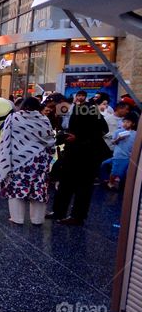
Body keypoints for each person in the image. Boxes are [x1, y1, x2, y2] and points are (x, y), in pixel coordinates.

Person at [0, 97, 57, 226]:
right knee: (38, 187)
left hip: (18, 159)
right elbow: (50, 140)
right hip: (39, 159)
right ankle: (37, 220)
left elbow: (5, 137)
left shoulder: (14, 118)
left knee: (16, 187)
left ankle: (17, 218)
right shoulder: (43, 119)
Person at [49, 95, 110, 225]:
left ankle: (77, 216)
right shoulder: (72, 111)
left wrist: (78, 138)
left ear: (62, 102)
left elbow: (102, 129)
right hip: (73, 153)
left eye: (55, 106)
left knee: (83, 187)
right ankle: (59, 211)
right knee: (65, 183)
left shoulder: (88, 109)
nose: (54, 109)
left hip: (88, 155)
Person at [100, 112, 138, 190]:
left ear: (133, 124)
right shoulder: (118, 132)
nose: (125, 124)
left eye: (128, 122)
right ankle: (109, 181)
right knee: (110, 168)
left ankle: (114, 183)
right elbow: (113, 142)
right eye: (124, 121)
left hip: (127, 156)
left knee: (119, 171)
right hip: (118, 155)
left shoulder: (135, 134)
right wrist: (119, 138)